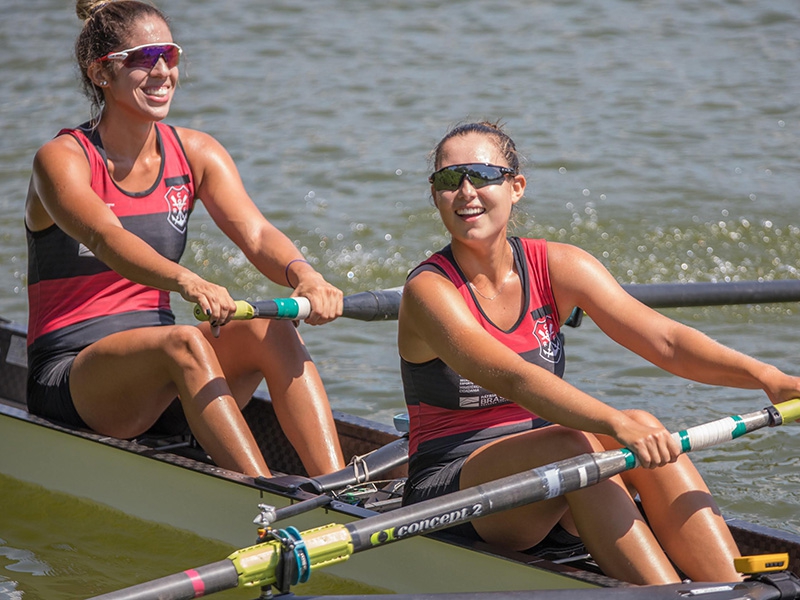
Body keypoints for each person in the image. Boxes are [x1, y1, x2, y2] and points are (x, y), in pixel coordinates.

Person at [397, 121, 800, 584]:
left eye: (482, 174)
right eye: (449, 180)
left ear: (516, 187)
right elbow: (515, 379)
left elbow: (666, 341)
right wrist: (613, 422)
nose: (466, 190)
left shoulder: (558, 266)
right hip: (451, 492)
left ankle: (735, 586)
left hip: (554, 478)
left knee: (643, 423)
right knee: (578, 442)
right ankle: (670, 595)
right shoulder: (430, 290)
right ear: (435, 196)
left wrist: (768, 377)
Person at [24, 0, 346, 479]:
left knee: (273, 328)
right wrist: (189, 282)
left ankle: (340, 490)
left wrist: (307, 275)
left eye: (169, 56)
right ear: (101, 74)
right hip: (73, 379)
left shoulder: (195, 152)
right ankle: (264, 500)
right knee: (182, 342)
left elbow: (255, 233)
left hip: (162, 377)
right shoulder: (62, 160)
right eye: (142, 58)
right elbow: (106, 237)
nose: (161, 72)